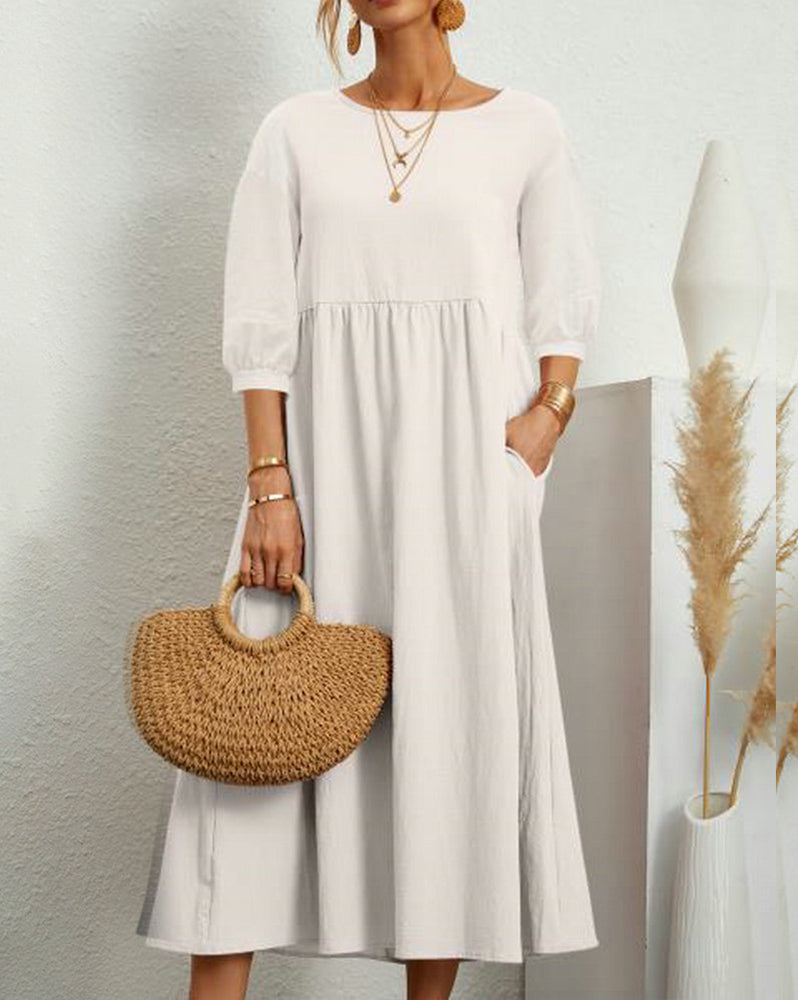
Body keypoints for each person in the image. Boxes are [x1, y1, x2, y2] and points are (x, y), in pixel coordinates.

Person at [135, 2, 602, 998]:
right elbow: (260, 317)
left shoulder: (528, 129)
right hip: (320, 466)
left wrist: (542, 426)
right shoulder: (294, 132)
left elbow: (561, 304)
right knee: (249, 743)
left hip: (466, 480)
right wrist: (270, 483)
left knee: (447, 735)